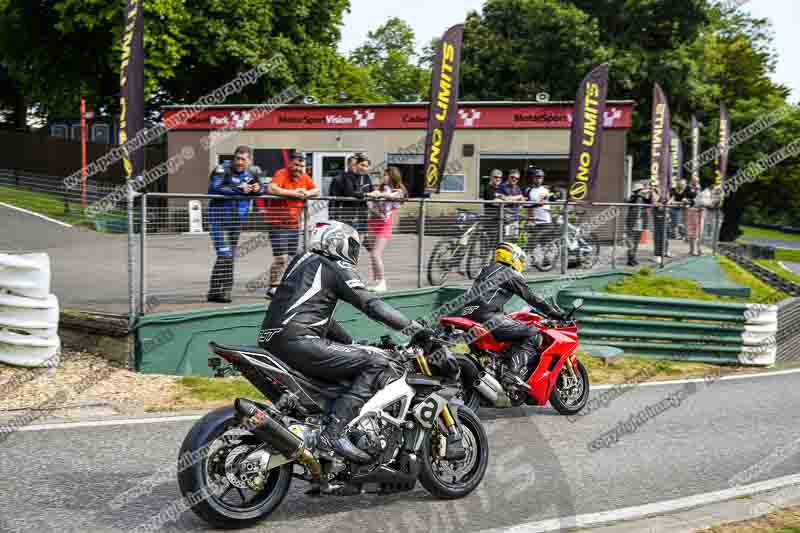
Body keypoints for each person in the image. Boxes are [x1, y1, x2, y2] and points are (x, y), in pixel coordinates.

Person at [257, 221, 449, 463]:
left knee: (351, 367)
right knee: (378, 362)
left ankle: (319, 424)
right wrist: (417, 330)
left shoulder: (300, 263)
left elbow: (318, 317)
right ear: (335, 241)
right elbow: (372, 304)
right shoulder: (333, 265)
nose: (353, 252)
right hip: (300, 341)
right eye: (351, 245)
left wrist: (350, 342)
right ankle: (333, 434)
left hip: (273, 341)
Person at [459, 242, 566, 390]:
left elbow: (488, 298)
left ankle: (494, 370)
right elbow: (532, 298)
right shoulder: (509, 273)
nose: (521, 263)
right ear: (513, 257)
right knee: (534, 333)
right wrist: (555, 314)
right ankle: (512, 373)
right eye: (520, 259)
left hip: (467, 317)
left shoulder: (485, 270)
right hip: (488, 318)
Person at [207, 146, 262, 303]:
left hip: (236, 221)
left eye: (243, 159)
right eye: (237, 158)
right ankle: (223, 292)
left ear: (250, 160)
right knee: (225, 254)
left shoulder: (251, 173)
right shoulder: (222, 169)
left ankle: (216, 291)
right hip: (218, 220)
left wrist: (257, 188)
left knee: (228, 256)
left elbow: (260, 188)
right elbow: (214, 188)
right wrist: (238, 189)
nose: (239, 162)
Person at [264, 151, 320, 298]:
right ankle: (273, 287)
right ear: (290, 164)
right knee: (280, 258)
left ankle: (285, 284)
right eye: (296, 164)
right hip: (277, 223)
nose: (298, 168)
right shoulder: (282, 173)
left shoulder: (304, 176)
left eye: (301, 166)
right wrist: (295, 193)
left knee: (291, 257)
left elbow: (317, 190)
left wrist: (307, 194)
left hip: (293, 224)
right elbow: (272, 189)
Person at [365, 166, 407, 293]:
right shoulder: (381, 188)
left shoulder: (399, 190)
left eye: (386, 175)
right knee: (372, 253)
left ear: (393, 176)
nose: (384, 177)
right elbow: (371, 203)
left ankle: (382, 282)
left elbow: (392, 196)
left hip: (384, 225)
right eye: (384, 175)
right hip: (373, 221)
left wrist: (378, 194)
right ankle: (376, 281)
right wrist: (371, 198)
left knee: (375, 253)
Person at [328, 153, 374, 235]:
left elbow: (372, 192)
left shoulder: (366, 177)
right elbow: (334, 201)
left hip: (361, 215)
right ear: (348, 165)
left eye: (357, 165)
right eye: (354, 165)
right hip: (346, 215)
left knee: (360, 238)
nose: (356, 167)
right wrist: (332, 219)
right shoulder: (339, 178)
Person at [625, 181, 656, 267]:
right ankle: (630, 258)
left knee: (636, 241)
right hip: (632, 222)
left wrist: (651, 193)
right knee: (631, 240)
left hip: (640, 222)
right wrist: (641, 193)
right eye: (641, 189)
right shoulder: (634, 197)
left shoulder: (642, 198)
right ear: (637, 190)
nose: (643, 191)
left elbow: (650, 203)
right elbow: (629, 200)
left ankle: (633, 257)